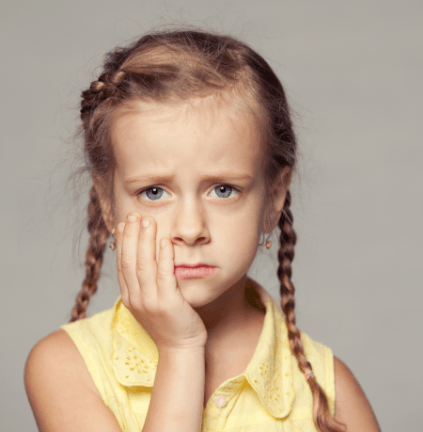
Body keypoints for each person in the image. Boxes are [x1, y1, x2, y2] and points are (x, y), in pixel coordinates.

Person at [24, 29, 382, 432]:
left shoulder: (331, 392)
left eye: (223, 190)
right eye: (154, 192)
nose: (191, 229)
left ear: (274, 198)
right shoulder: (65, 367)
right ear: (109, 205)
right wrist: (180, 349)